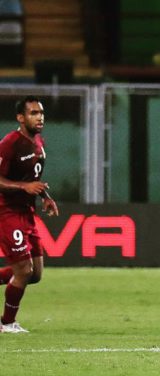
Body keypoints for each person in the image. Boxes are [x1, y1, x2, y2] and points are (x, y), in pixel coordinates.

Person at [0, 96, 59, 333]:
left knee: (35, 274)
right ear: (20, 118)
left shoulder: (37, 144)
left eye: (41, 112)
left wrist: (45, 197)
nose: (40, 117)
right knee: (23, 271)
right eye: (34, 113)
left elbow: (32, 179)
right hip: (6, 211)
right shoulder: (9, 143)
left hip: (27, 213)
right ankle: (6, 323)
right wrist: (23, 187)